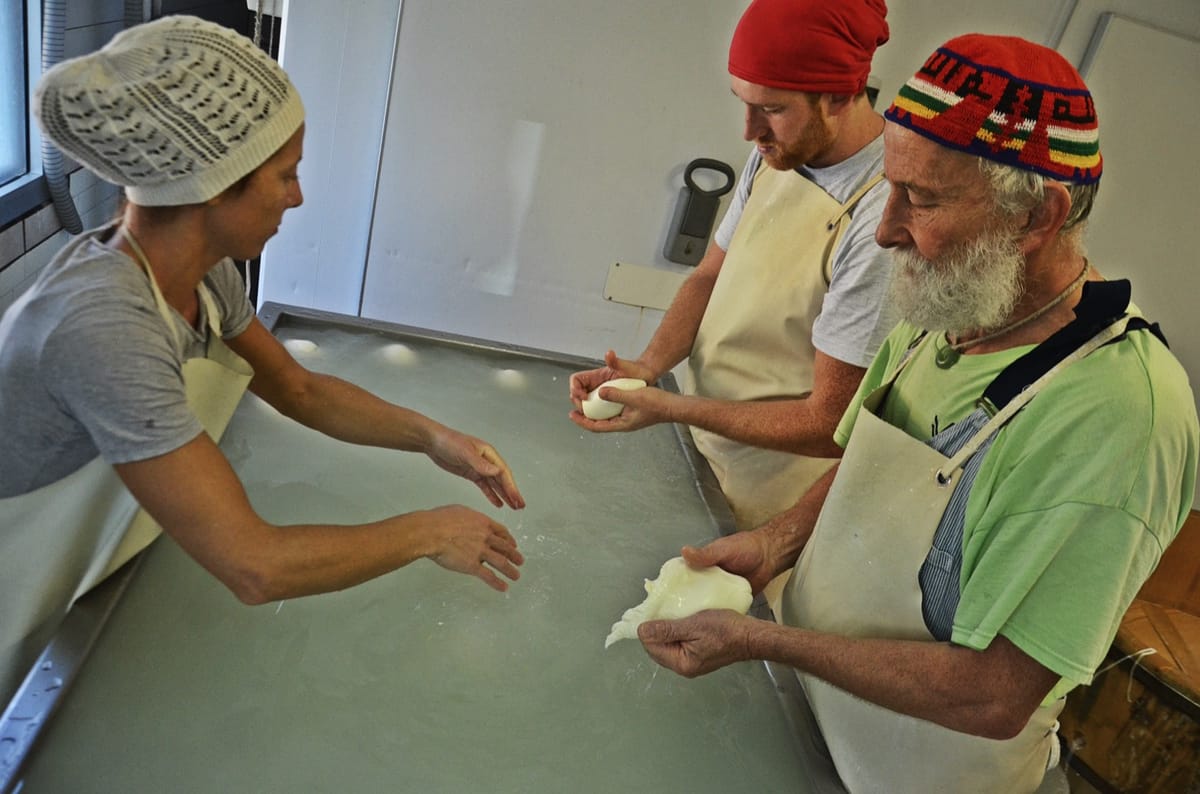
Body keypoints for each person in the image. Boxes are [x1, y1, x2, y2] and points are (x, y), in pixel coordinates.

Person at [634, 34, 1199, 793]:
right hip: (813, 729)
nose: (885, 229)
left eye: (922, 199)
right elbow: (868, 465)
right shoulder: (950, 307)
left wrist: (771, 641)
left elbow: (994, 693)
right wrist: (773, 544)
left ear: (1037, 216)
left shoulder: (1115, 416)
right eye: (891, 188)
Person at [0, 16, 525, 705]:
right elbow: (254, 567)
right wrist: (427, 532)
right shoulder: (101, 326)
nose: (297, 196)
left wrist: (435, 439)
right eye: (284, 175)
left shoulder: (200, 270)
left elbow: (299, 390)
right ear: (214, 189)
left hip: (82, 572)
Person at [569, 0, 895, 536]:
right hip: (701, 447)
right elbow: (707, 277)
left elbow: (827, 424)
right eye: (743, 103)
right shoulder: (778, 153)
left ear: (838, 95)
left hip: (773, 497)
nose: (749, 131)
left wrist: (674, 407)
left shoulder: (880, 216)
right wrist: (646, 369)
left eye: (771, 108)